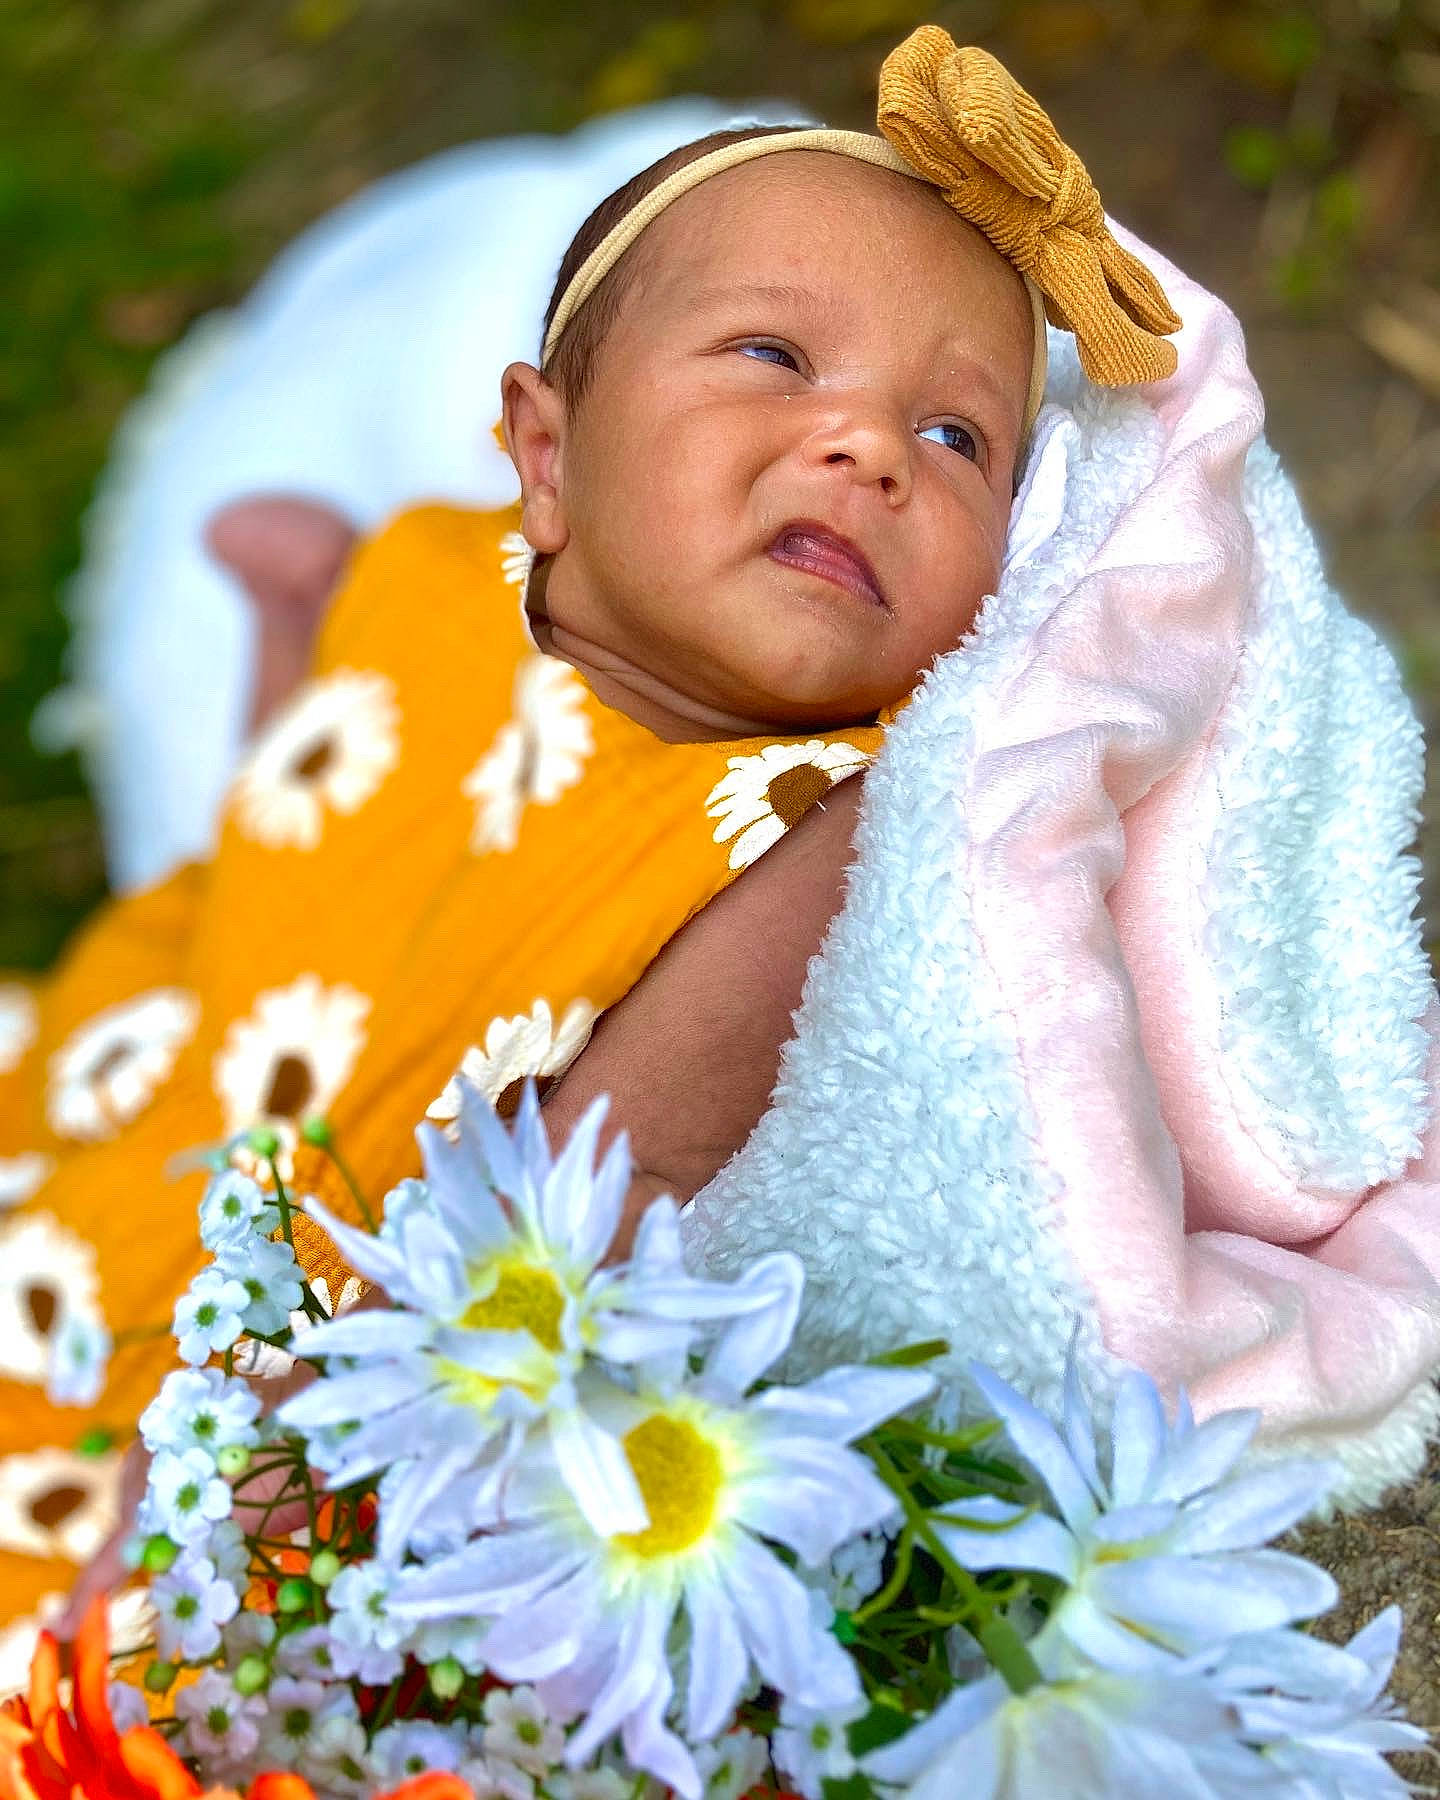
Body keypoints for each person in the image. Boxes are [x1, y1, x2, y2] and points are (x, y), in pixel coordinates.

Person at [0, 27, 1180, 1649]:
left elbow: (608, 1182)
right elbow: (315, 812)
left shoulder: (815, 817)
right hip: (159, 1073)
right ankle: (284, 615)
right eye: (774, 355)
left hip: (278, 1318)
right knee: (260, 831)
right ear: (547, 459)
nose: (867, 448)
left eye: (957, 439)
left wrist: (286, 1437)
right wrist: (306, 648)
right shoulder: (444, 569)